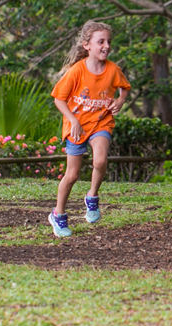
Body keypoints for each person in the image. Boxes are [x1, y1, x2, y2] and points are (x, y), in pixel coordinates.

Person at [48, 21, 131, 237]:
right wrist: (73, 120)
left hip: (101, 123)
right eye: (100, 41)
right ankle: (58, 215)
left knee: (100, 161)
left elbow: (124, 89)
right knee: (72, 175)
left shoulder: (113, 70)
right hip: (77, 128)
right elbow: (59, 99)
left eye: (108, 42)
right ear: (87, 45)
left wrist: (120, 101)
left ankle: (92, 197)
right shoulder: (77, 71)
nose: (106, 46)